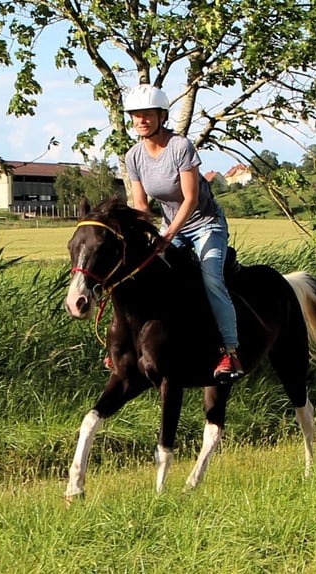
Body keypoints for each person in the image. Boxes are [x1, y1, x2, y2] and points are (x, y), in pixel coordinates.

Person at [114, 84, 243, 382]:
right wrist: (129, 229)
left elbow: (191, 199)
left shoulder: (180, 147)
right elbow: (142, 206)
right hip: (170, 228)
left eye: (147, 115)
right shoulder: (133, 156)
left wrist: (168, 235)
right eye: (135, 116)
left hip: (204, 224)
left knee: (211, 279)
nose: (141, 121)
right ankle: (129, 345)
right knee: (140, 277)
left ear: (162, 116)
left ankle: (230, 352)